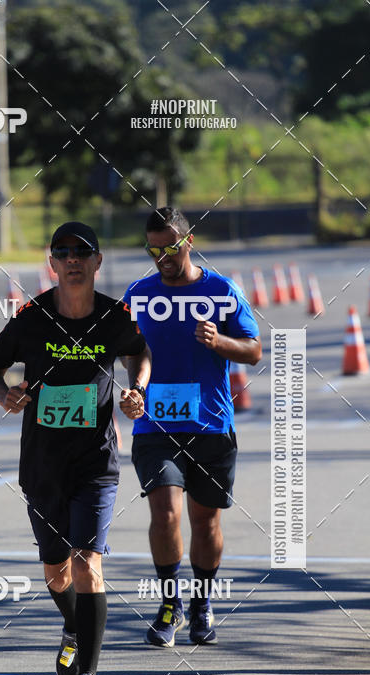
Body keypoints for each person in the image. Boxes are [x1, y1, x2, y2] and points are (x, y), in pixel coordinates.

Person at [0, 222, 151, 675]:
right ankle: (74, 627)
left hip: (96, 462)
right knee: (56, 570)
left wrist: (136, 388)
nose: (72, 259)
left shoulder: (115, 316)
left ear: (97, 262)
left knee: (87, 561)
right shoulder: (31, 318)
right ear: (52, 263)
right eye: (62, 252)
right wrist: (3, 394)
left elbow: (138, 352)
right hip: (41, 464)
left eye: (83, 252)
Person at [124, 207, 261, 648]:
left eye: (170, 247)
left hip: (210, 425)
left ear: (189, 240)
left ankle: (201, 602)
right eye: (153, 249)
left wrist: (219, 342)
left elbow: (254, 350)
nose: (162, 256)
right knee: (165, 515)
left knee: (205, 524)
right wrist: (134, 387)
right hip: (155, 426)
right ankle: (170, 604)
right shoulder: (140, 293)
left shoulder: (220, 291)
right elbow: (127, 348)